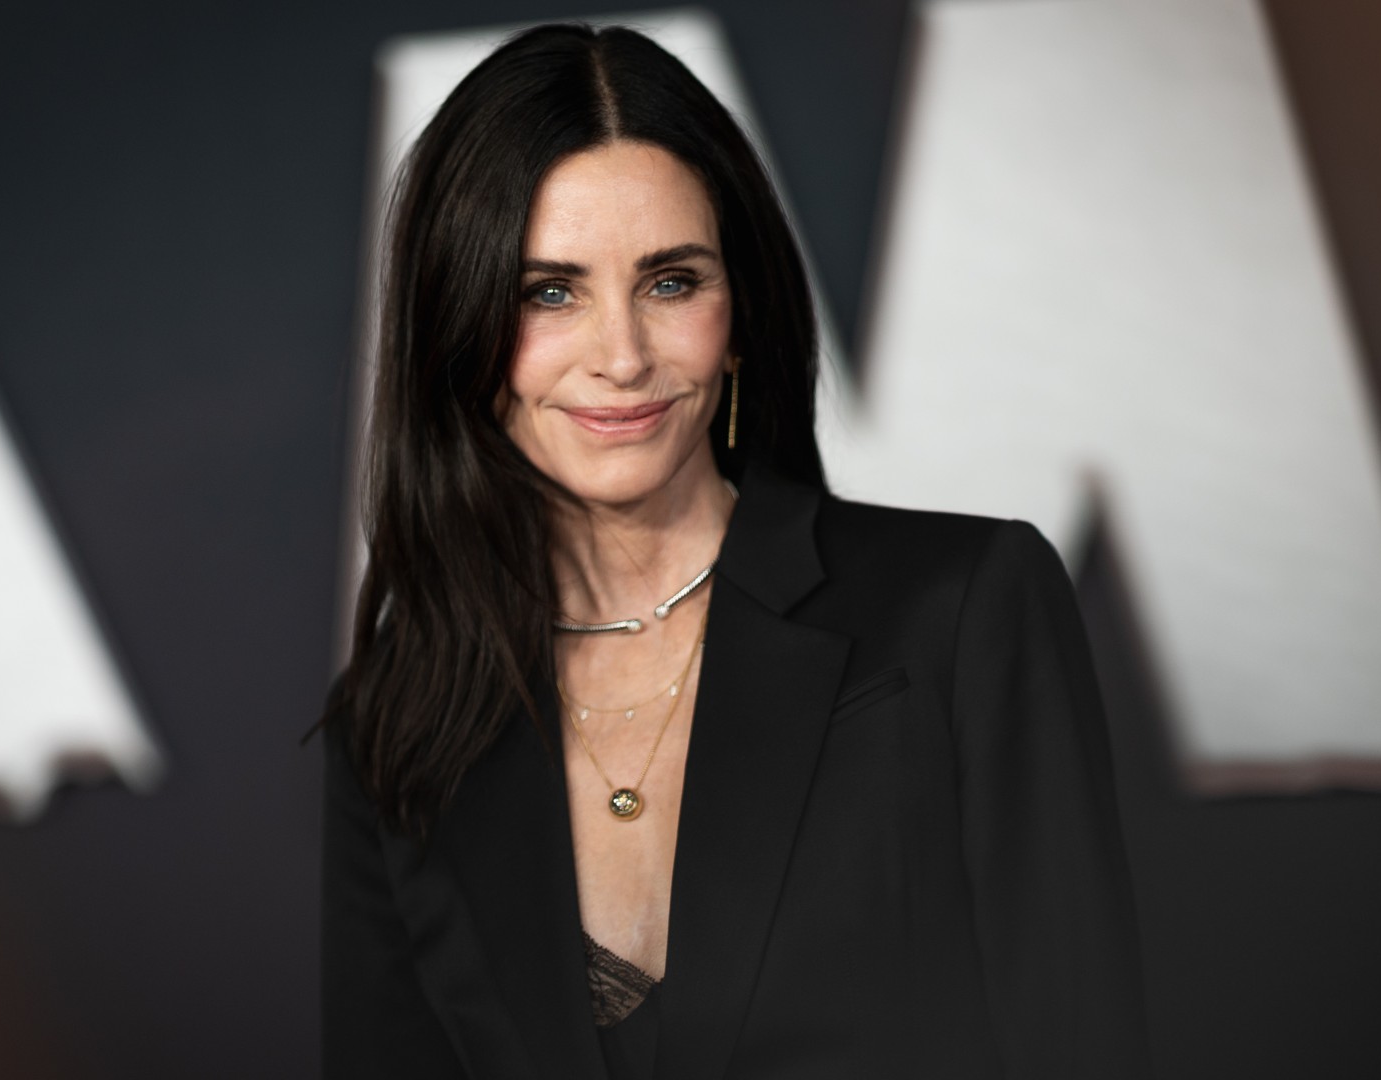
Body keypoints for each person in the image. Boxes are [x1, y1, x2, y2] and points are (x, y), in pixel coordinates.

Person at [319, 22, 1149, 1079]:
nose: (622, 357)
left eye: (671, 282)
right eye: (549, 292)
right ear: (457, 328)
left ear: (741, 311)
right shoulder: (393, 727)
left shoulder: (963, 612)